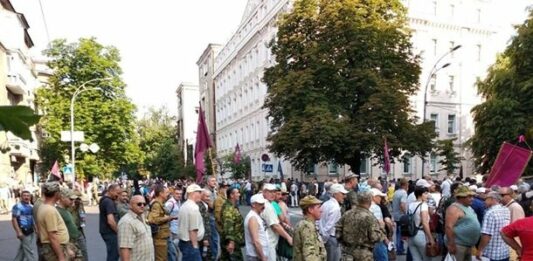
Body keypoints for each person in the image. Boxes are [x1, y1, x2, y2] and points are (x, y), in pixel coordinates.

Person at [336, 191, 386, 261]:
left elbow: (338, 232)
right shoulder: (370, 217)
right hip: (363, 254)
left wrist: (345, 242)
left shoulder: (347, 214)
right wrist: (382, 228)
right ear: (370, 201)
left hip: (347, 252)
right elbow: (375, 238)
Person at [36, 182, 71, 260]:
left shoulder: (43, 206)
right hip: (54, 249)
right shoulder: (50, 210)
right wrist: (61, 256)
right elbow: (52, 236)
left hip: (52, 247)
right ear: (56, 194)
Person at [445, 185, 481, 261]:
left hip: (467, 245)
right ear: (461, 197)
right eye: (469, 197)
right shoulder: (454, 208)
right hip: (458, 245)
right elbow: (448, 226)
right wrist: (451, 244)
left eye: (472, 196)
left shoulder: (468, 207)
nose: (472, 199)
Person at [261, 183, 293, 261]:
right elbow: (275, 225)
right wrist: (288, 237)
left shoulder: (270, 203)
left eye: (274, 192)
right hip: (268, 243)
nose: (273, 194)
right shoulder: (268, 206)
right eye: (270, 192)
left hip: (268, 242)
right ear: (264, 192)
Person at [118, 195, 155, 261]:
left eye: (144, 204)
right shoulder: (126, 222)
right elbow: (125, 248)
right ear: (130, 205)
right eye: (139, 204)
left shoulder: (142, 217)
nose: (142, 206)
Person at [476, 192, 510, 261]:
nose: (484, 202)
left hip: (491, 254)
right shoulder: (506, 209)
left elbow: (486, 235)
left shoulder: (490, 212)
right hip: (504, 252)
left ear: (492, 199)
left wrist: (479, 250)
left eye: (486, 199)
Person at [319, 183, 348, 261]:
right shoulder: (335, 208)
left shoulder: (325, 204)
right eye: (342, 194)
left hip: (326, 237)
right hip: (331, 238)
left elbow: (319, 221)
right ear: (335, 194)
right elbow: (329, 226)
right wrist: (324, 239)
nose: (344, 196)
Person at [147, 184, 176, 261]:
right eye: (166, 192)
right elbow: (153, 220)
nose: (168, 194)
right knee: (161, 258)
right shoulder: (156, 204)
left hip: (163, 236)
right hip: (159, 238)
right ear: (160, 193)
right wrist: (168, 218)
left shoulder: (160, 203)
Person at [293, 195, 326, 261]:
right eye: (318, 207)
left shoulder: (306, 224)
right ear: (310, 210)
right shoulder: (307, 227)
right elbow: (310, 257)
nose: (321, 210)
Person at [177, 184, 205, 261]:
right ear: (193, 193)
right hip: (190, 244)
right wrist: (195, 247)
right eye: (199, 192)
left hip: (185, 243)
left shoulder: (184, 205)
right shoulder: (193, 208)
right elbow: (193, 230)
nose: (201, 194)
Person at [407, 186, 434, 261]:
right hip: (421, 233)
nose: (427, 196)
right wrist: (430, 238)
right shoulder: (423, 205)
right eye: (425, 193)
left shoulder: (410, 205)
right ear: (420, 194)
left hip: (411, 234)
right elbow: (425, 223)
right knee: (427, 258)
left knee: (416, 258)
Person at [56, 188, 83, 260]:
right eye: (70, 199)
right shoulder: (58, 212)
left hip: (74, 242)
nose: (73, 201)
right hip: (67, 244)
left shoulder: (67, 210)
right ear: (62, 198)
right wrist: (67, 248)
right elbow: (57, 233)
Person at [221, 187, 245, 260]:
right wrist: (231, 242)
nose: (239, 194)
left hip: (235, 240)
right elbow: (228, 226)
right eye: (237, 193)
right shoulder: (228, 208)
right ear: (231, 195)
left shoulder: (233, 206)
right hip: (232, 241)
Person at [99, 184, 121, 261]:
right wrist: (118, 232)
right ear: (111, 191)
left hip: (106, 231)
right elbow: (111, 221)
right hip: (110, 232)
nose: (118, 196)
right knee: (113, 255)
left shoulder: (104, 200)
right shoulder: (109, 202)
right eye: (117, 193)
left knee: (112, 253)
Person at [12, 190, 36, 261]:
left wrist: (36, 229)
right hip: (23, 231)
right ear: (21, 197)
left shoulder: (31, 207)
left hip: (31, 230)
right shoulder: (17, 206)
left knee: (23, 249)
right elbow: (14, 219)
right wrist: (18, 232)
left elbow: (33, 219)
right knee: (29, 250)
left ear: (30, 197)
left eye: (28, 196)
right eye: (24, 195)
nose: (26, 197)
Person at [244, 194, 269, 261]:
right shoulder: (253, 218)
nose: (263, 206)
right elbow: (256, 241)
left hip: (259, 255)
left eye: (263, 204)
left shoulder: (257, 216)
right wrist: (263, 257)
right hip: (255, 256)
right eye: (260, 204)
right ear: (253, 205)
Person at [370, 188, 391, 261]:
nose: (381, 199)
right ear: (373, 197)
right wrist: (386, 238)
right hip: (378, 238)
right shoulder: (376, 208)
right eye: (379, 197)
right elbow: (380, 224)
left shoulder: (366, 207)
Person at [392, 178, 409, 255]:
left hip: (396, 214)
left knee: (398, 232)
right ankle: (399, 248)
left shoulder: (396, 192)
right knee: (401, 233)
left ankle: (399, 247)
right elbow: (402, 205)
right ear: (405, 185)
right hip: (401, 215)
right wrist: (406, 213)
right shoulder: (404, 193)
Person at [70, 192, 88, 261]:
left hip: (79, 231)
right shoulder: (68, 208)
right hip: (70, 234)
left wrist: (80, 206)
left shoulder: (79, 207)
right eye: (74, 199)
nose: (76, 201)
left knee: (84, 251)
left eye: (78, 199)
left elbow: (82, 218)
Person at [165, 186, 182, 260]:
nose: (179, 195)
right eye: (177, 193)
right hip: (172, 230)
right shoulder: (170, 203)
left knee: (177, 249)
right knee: (173, 251)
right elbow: (165, 216)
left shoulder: (178, 202)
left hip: (177, 229)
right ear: (173, 194)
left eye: (180, 194)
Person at [206, 176, 220, 261]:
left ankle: (214, 254)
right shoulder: (207, 192)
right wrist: (218, 204)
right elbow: (212, 205)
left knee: (215, 237)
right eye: (212, 181)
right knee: (214, 238)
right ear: (208, 182)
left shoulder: (214, 191)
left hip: (214, 216)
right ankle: (214, 256)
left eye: (215, 181)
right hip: (210, 216)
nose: (214, 182)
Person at [198, 189, 213, 260]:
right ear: (201, 196)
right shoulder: (200, 206)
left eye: (209, 196)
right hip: (203, 237)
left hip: (206, 235)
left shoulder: (205, 204)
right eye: (207, 196)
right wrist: (205, 239)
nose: (208, 198)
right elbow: (203, 223)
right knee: (205, 256)